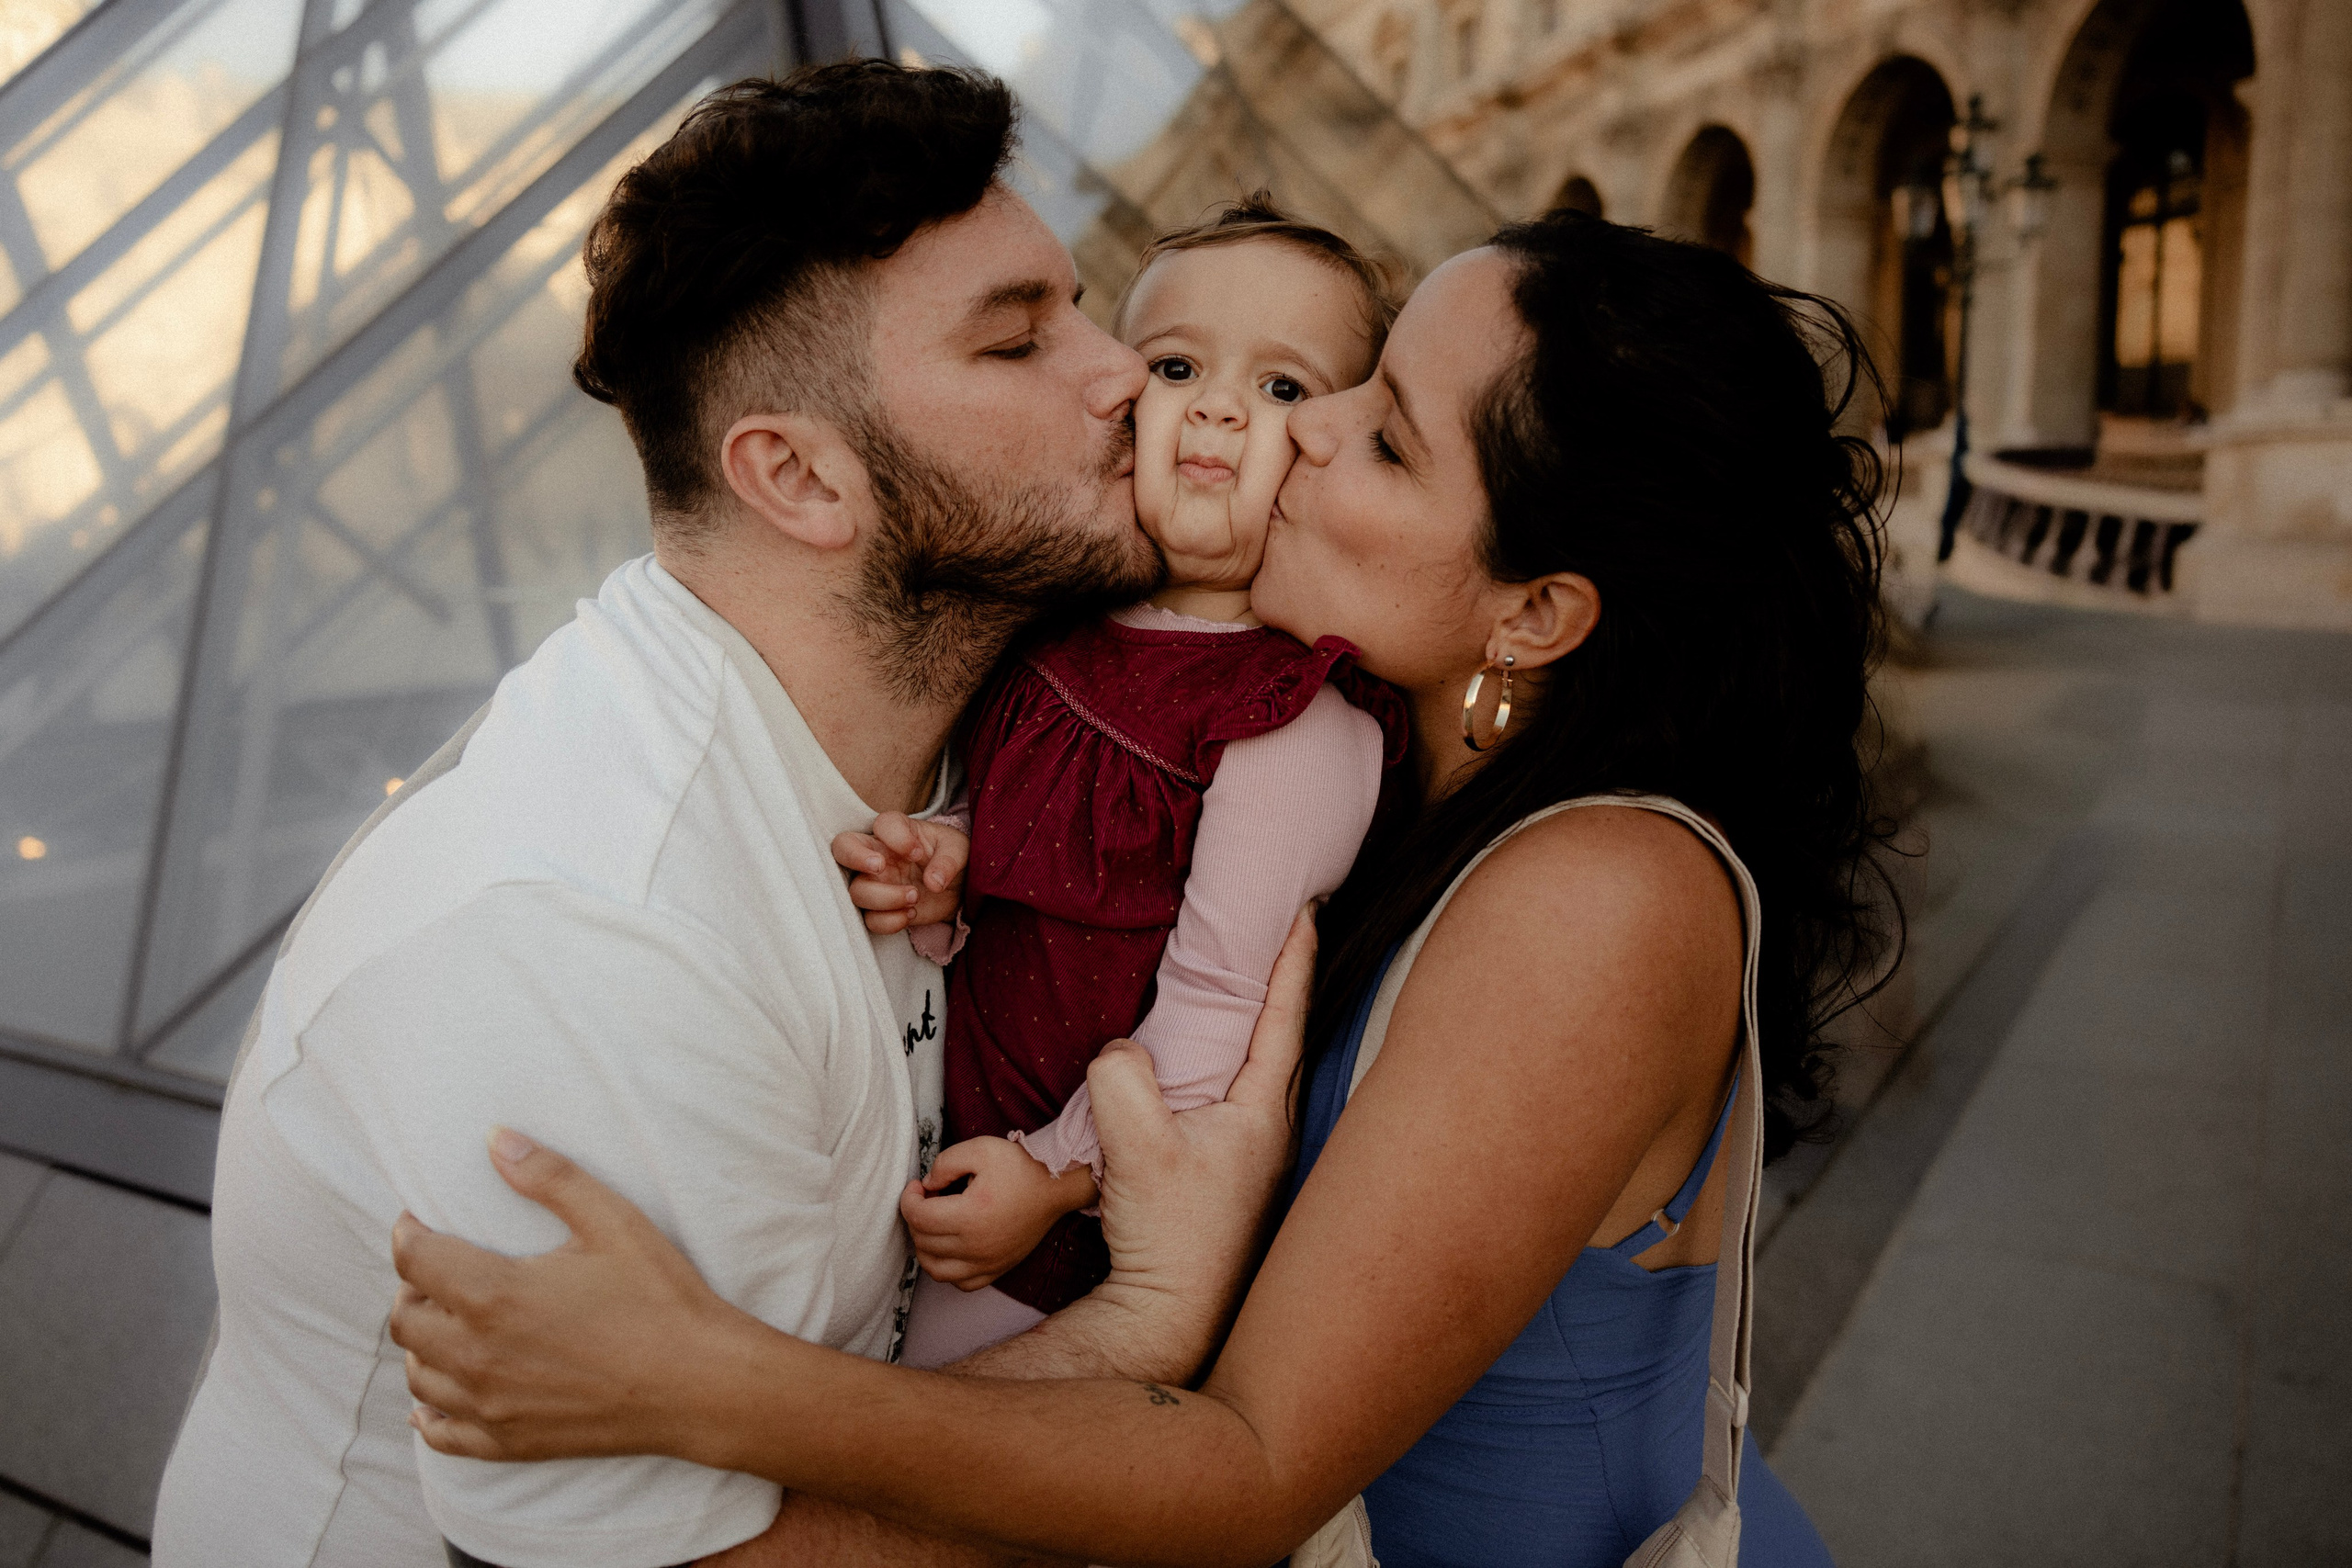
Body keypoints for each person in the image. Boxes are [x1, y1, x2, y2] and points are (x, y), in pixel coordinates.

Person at [386, 209, 1897, 1567]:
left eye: (1382, 437)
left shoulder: (1600, 894)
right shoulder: (1387, 779)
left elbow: (1248, 1468)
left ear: (1537, 610)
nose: (1297, 431)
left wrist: (705, 1381)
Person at [153, 62, 1196, 1568]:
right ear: (797, 477)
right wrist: (1163, 1363)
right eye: (1021, 340)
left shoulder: (987, 723)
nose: (1124, 374)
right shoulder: (599, 928)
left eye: (1079, 306)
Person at [835, 197, 1408, 1371]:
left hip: (1067, 1240)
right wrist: (953, 859)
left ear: (1335, 452)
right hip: (944, 1147)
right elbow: (1038, 859)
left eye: (1285, 388)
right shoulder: (1062, 627)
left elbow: (1217, 1016)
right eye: (1178, 364)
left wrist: (1055, 1177)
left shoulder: (1291, 723)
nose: (1216, 406)